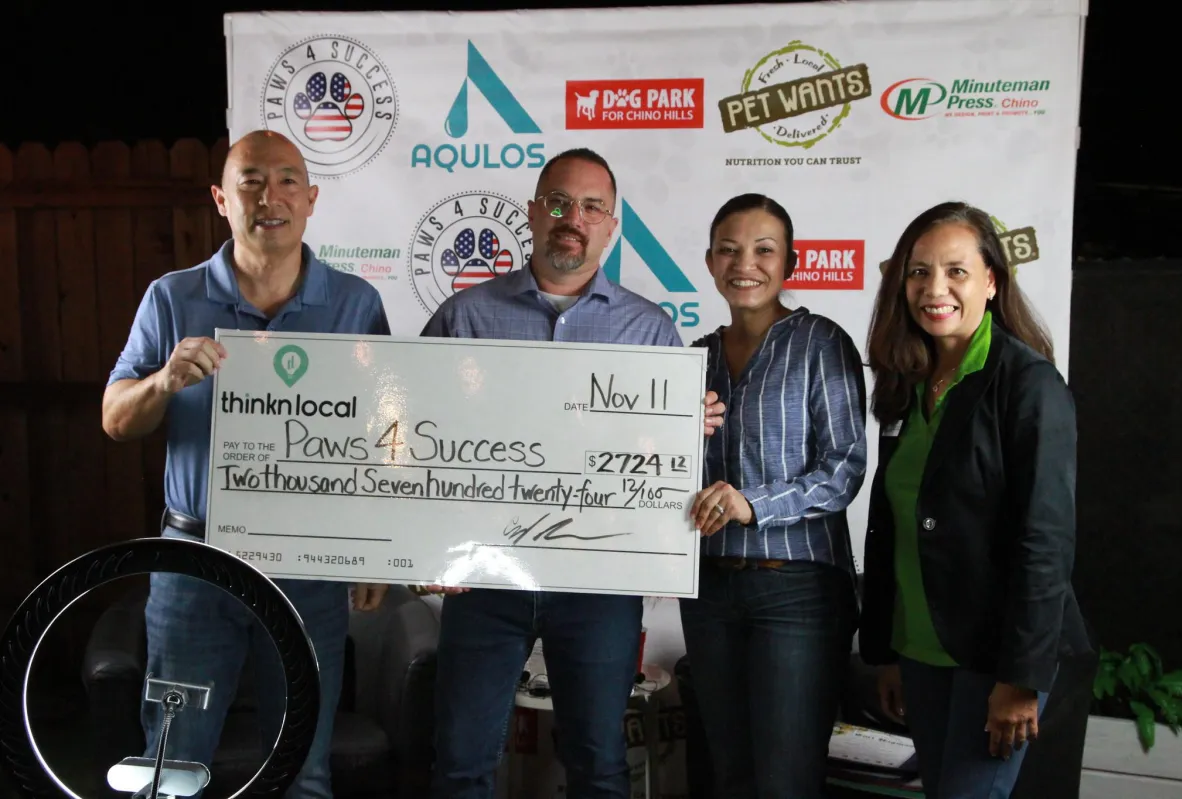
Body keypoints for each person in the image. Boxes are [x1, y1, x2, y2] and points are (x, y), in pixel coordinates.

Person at [420, 147, 725, 799]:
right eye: (559, 203)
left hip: (600, 584)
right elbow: (418, 440)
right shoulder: (464, 317)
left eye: (591, 207)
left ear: (611, 226)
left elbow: (667, 466)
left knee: (600, 765)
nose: (573, 219)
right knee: (461, 762)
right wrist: (422, 547)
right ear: (533, 213)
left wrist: (682, 425)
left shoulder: (649, 330)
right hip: (485, 577)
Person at [102, 130, 391, 799]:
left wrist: (378, 552)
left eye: (287, 180)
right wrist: (163, 381)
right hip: (195, 563)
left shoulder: (355, 304)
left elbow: (385, 436)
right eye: (251, 181)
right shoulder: (171, 297)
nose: (270, 197)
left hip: (309, 565)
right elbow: (115, 419)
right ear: (221, 199)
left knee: (303, 771)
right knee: (170, 768)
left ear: (311, 199)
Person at [858, 201, 1091, 799]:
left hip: (997, 657)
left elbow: (1045, 540)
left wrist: (1021, 679)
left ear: (991, 280)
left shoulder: (1029, 384)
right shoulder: (908, 381)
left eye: (956, 270)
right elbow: (892, 525)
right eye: (918, 272)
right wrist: (887, 651)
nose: (934, 288)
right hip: (919, 652)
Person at [679, 194, 868, 799]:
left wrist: (753, 504)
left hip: (798, 592)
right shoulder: (693, 359)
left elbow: (843, 469)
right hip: (708, 591)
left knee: (787, 780)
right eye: (729, 250)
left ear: (791, 261)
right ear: (710, 262)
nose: (745, 264)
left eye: (764, 250)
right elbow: (660, 472)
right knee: (730, 775)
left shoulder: (822, 342)